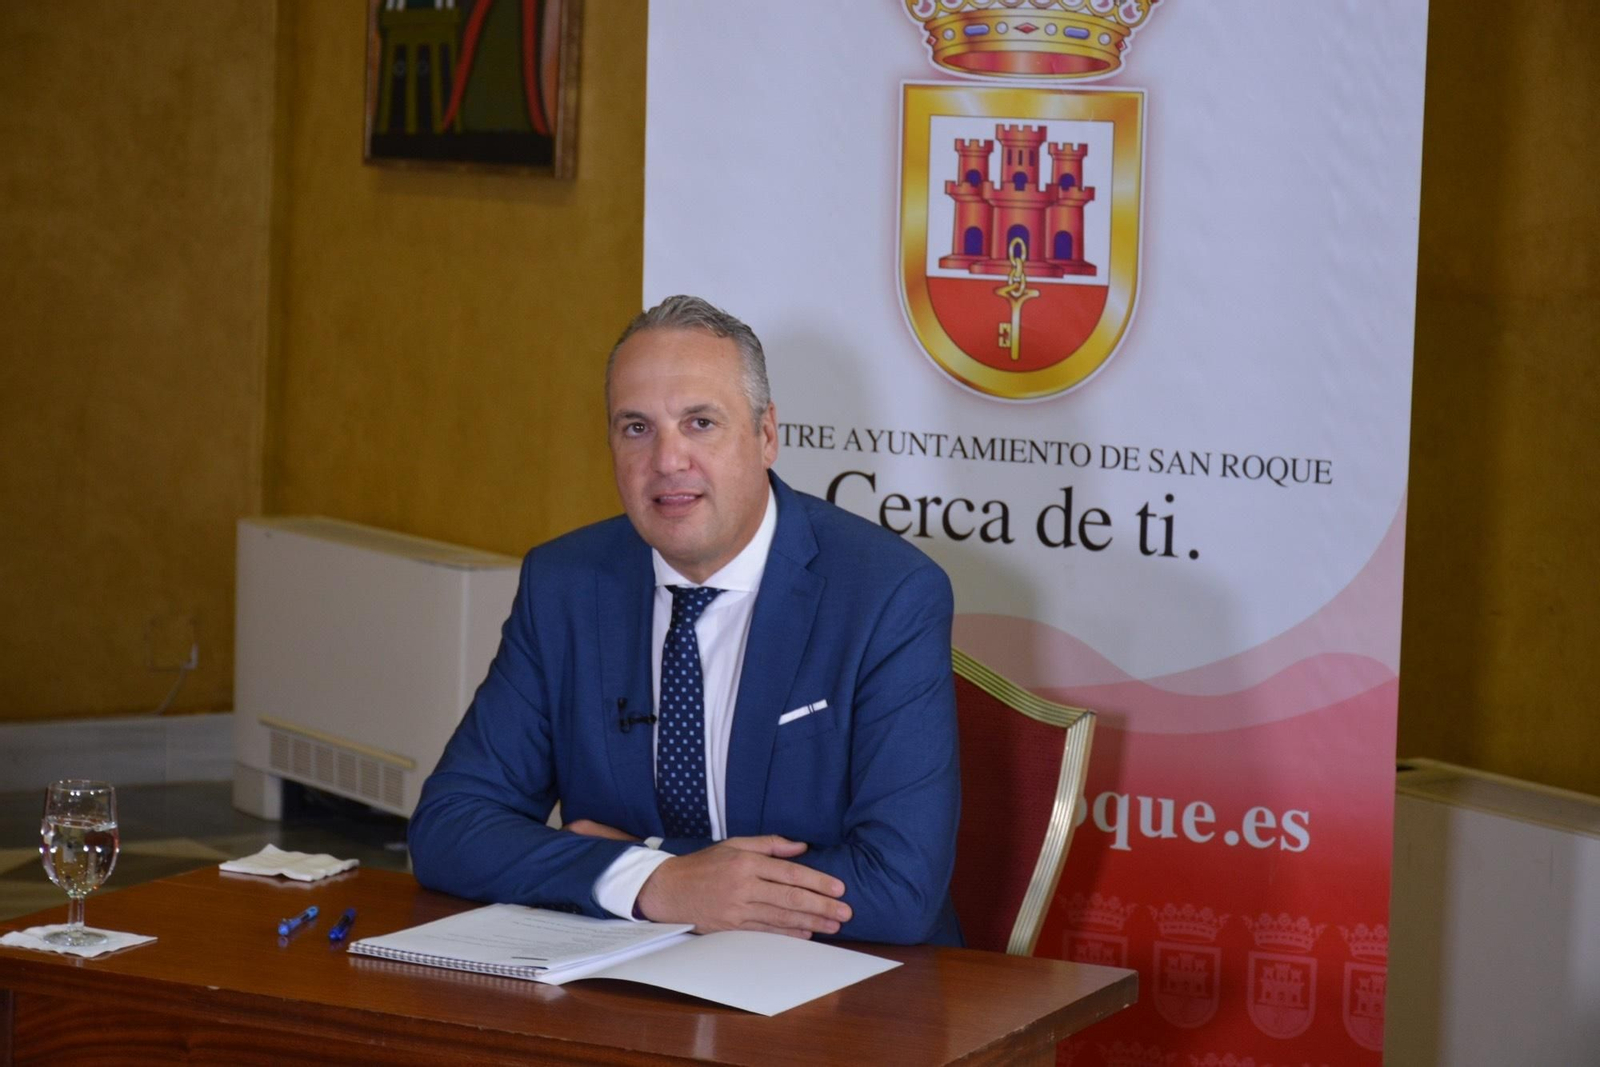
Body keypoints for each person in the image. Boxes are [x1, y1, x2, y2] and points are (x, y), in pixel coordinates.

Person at [408, 296, 961, 945]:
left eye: (700, 422)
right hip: (624, 983)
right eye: (636, 428)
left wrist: (653, 858)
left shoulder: (887, 594)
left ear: (766, 435)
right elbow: (449, 826)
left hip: (842, 993)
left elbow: (900, 888)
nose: (668, 461)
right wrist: (657, 882)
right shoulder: (564, 583)